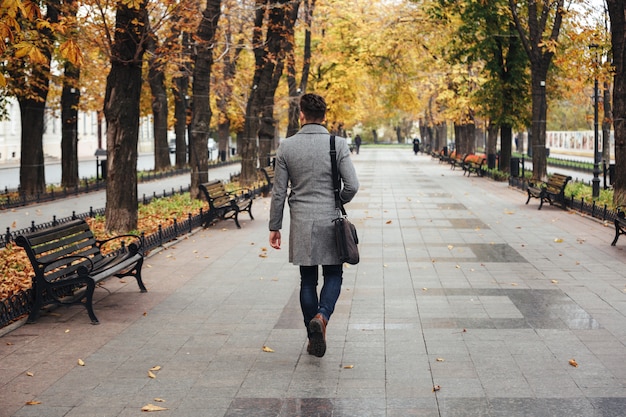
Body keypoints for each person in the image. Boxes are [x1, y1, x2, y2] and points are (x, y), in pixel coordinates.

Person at [269, 93, 359, 358]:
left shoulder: (286, 146)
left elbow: (278, 192)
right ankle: (322, 316)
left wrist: (275, 226)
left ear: (301, 115)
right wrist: (337, 199)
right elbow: (352, 185)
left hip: (300, 221)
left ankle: (313, 335)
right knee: (333, 274)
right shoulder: (338, 144)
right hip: (330, 221)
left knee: (307, 280)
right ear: (325, 116)